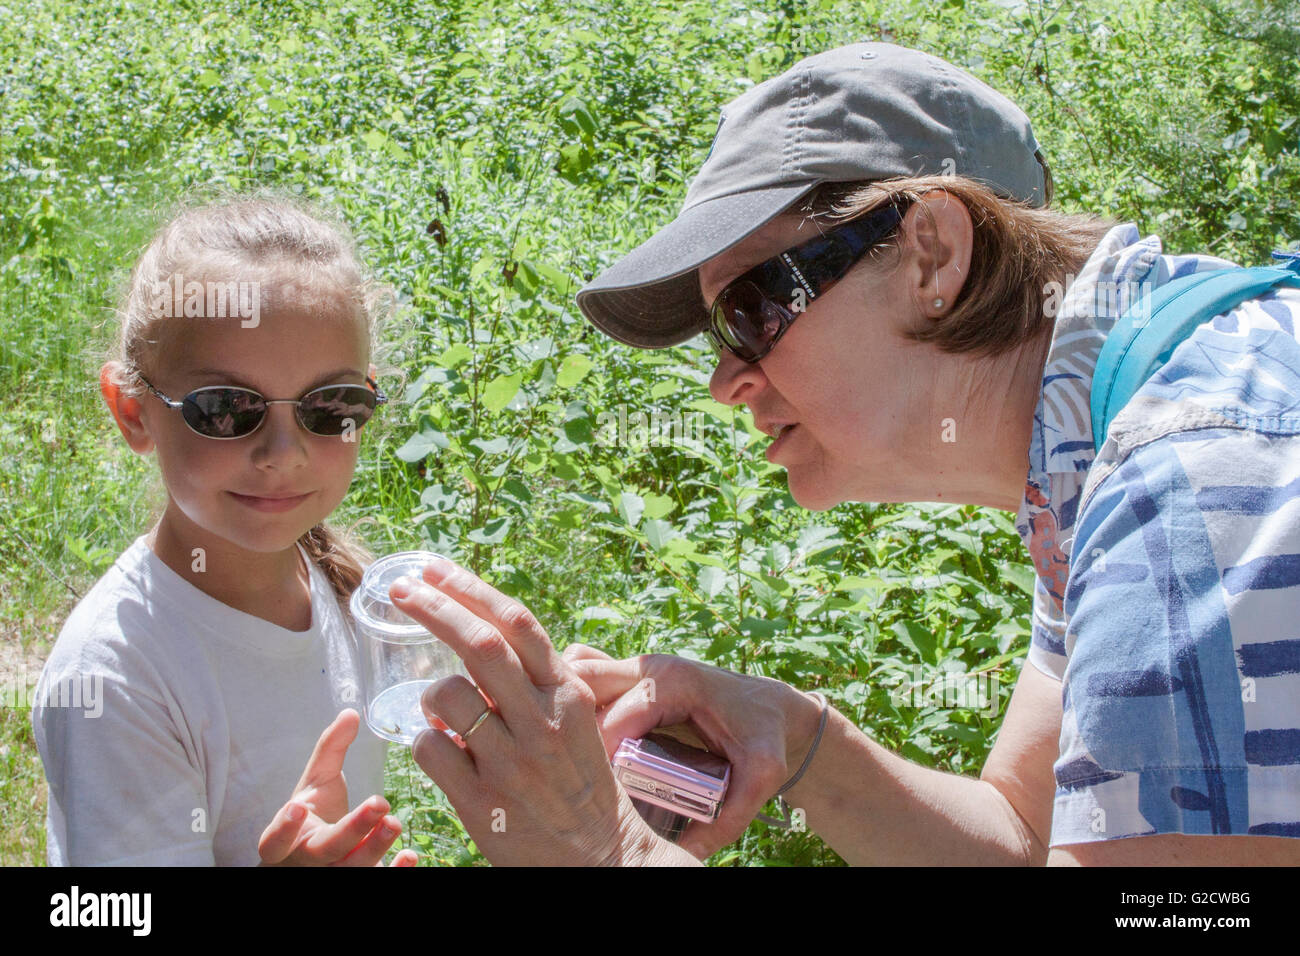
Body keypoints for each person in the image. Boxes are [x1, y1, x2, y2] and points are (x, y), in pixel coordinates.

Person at [395, 42, 1300, 865]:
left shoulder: (1189, 481)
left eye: (750, 309)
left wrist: (610, 855)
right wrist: (801, 743)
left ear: (932, 255)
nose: (725, 380)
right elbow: (1026, 837)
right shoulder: (1100, 441)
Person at [32, 195, 417, 866]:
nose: (283, 452)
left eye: (331, 405)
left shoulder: (344, 592)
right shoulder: (114, 676)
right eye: (226, 408)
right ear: (131, 411)